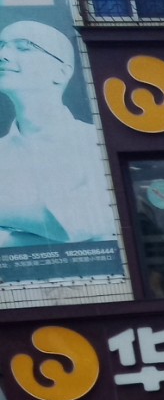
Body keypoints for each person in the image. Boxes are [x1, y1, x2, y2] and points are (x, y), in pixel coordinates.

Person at [0, 21, 115, 248]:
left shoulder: (96, 143)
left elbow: (82, 220)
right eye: (2, 46)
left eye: (23, 47)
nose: (3, 55)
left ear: (61, 72)